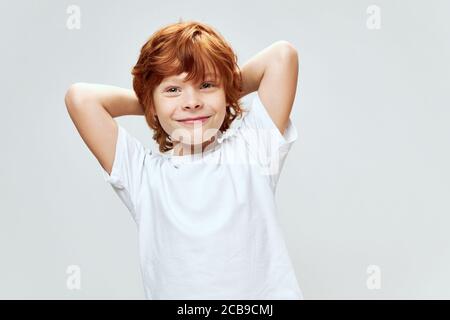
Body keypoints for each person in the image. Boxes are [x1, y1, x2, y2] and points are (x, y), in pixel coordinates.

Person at [64, 19, 303, 300]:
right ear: (152, 104)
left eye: (206, 84)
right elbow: (80, 98)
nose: (191, 102)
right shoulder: (143, 176)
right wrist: (154, 102)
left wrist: (219, 92)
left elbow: (282, 57)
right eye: (173, 89)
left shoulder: (253, 151)